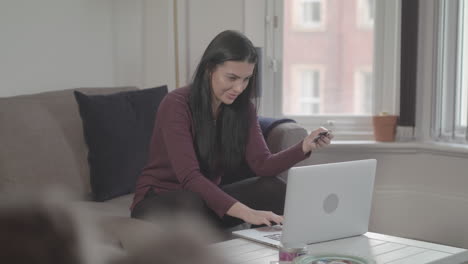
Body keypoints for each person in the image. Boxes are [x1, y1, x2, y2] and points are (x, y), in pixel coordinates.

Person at [130, 30, 333, 230]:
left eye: (246, 79)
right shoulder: (176, 104)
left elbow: (262, 164)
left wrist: (304, 146)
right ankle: (214, 233)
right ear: (210, 69)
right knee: (192, 202)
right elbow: (190, 177)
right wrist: (247, 212)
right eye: (232, 78)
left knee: (273, 188)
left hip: (204, 201)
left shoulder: (244, 109)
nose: (239, 88)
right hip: (159, 201)